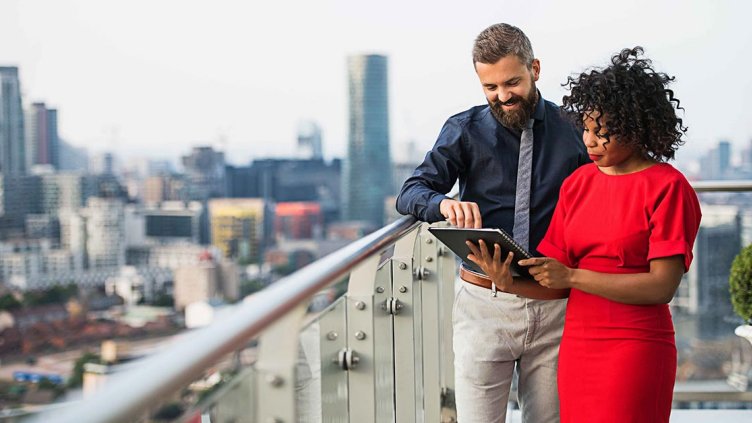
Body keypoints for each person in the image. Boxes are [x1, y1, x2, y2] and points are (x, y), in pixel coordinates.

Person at [466, 47, 701, 422]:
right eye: (586, 130)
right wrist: (506, 282)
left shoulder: (668, 187)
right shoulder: (577, 184)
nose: (589, 141)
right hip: (577, 346)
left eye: (601, 132)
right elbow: (554, 281)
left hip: (635, 347)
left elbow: (661, 287)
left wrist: (573, 277)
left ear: (634, 126)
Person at [396, 23, 589, 423]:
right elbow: (411, 192)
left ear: (535, 68)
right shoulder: (464, 129)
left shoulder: (574, 130)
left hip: (556, 306)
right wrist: (444, 205)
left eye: (512, 82)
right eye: (490, 87)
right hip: (484, 307)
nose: (502, 96)